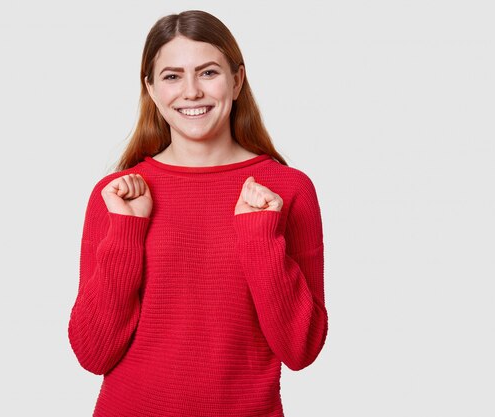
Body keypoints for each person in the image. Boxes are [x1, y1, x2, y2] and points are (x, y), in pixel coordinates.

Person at [68, 9, 327, 417]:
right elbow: (93, 353)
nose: (191, 91)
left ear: (237, 80)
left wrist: (260, 236)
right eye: (172, 76)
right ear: (151, 89)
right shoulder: (115, 196)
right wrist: (126, 232)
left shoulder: (289, 190)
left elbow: (301, 349)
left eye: (208, 73)